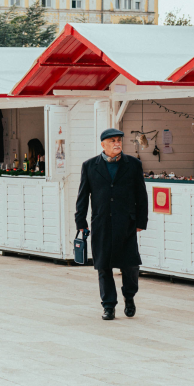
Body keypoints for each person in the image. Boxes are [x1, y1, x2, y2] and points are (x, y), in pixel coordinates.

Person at [75, 128, 149, 321]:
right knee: (103, 266)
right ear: (103, 145)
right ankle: (108, 306)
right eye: (112, 141)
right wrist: (80, 221)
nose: (117, 144)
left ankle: (129, 296)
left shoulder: (133, 164)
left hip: (127, 224)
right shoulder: (90, 166)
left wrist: (141, 221)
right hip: (101, 223)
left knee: (131, 265)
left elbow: (142, 196)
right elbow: (83, 196)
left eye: (119, 140)